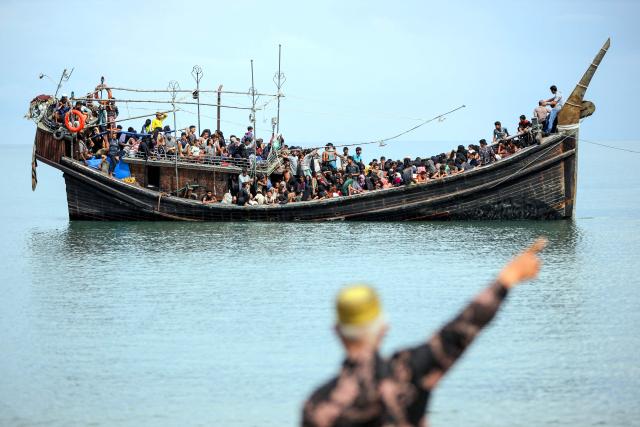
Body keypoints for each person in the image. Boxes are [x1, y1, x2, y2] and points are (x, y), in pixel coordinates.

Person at [302, 238, 547, 427]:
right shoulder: (407, 372)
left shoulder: (317, 406)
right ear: (384, 329)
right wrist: (507, 278)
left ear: (337, 332)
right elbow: (459, 331)